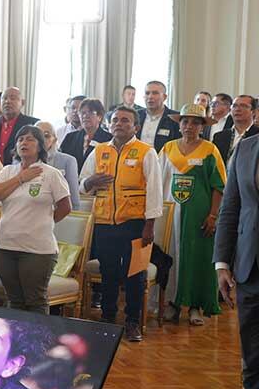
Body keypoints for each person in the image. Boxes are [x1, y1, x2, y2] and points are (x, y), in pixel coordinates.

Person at [79, 106, 164, 342]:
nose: (119, 123)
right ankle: (108, 317)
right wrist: (91, 181)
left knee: (134, 275)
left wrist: (150, 225)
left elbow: (155, 191)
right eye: (115, 120)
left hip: (135, 224)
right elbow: (80, 185)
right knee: (108, 273)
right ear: (108, 125)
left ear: (135, 127)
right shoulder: (98, 151)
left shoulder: (146, 152)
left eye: (125, 120)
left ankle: (132, 321)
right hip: (105, 223)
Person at [0, 125, 72, 313]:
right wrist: (21, 178)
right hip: (6, 246)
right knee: (14, 300)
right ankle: (16, 342)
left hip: (37, 250)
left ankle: (39, 342)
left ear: (41, 146)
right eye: (20, 139)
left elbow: (65, 207)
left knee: (35, 301)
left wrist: (42, 223)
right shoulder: (8, 171)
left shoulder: (51, 174)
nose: (24, 143)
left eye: (30, 139)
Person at [159, 104, 225, 326]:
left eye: (195, 122)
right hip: (169, 215)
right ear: (179, 124)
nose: (189, 126)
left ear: (202, 126)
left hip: (199, 215)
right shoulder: (167, 148)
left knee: (198, 258)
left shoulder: (210, 150)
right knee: (171, 256)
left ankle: (196, 305)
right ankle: (172, 303)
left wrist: (213, 215)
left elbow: (219, 186)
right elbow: (156, 181)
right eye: (185, 121)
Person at [217, 132, 259, 389]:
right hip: (250, 270)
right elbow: (231, 209)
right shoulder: (245, 148)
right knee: (254, 363)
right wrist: (222, 264)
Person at [0, 86, 37, 165]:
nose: (7, 101)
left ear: (22, 103)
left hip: (21, 172)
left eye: (13, 98)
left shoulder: (32, 124)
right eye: (4, 98)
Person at [35, 120, 81, 208]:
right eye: (37, 135)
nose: (41, 139)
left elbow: (74, 201)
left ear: (54, 140)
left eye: (46, 136)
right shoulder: (21, 160)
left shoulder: (68, 161)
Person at [59, 98, 112, 171]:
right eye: (82, 113)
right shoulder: (70, 137)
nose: (85, 116)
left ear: (99, 117)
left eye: (90, 112)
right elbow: (61, 160)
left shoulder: (109, 139)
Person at [136, 81, 181, 153]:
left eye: (155, 93)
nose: (150, 97)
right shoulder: (136, 115)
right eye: (147, 93)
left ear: (164, 97)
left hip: (164, 161)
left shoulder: (175, 118)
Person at [215, 94, 257, 165]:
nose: (238, 109)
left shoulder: (257, 135)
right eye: (234, 106)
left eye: (243, 106)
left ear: (253, 112)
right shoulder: (219, 136)